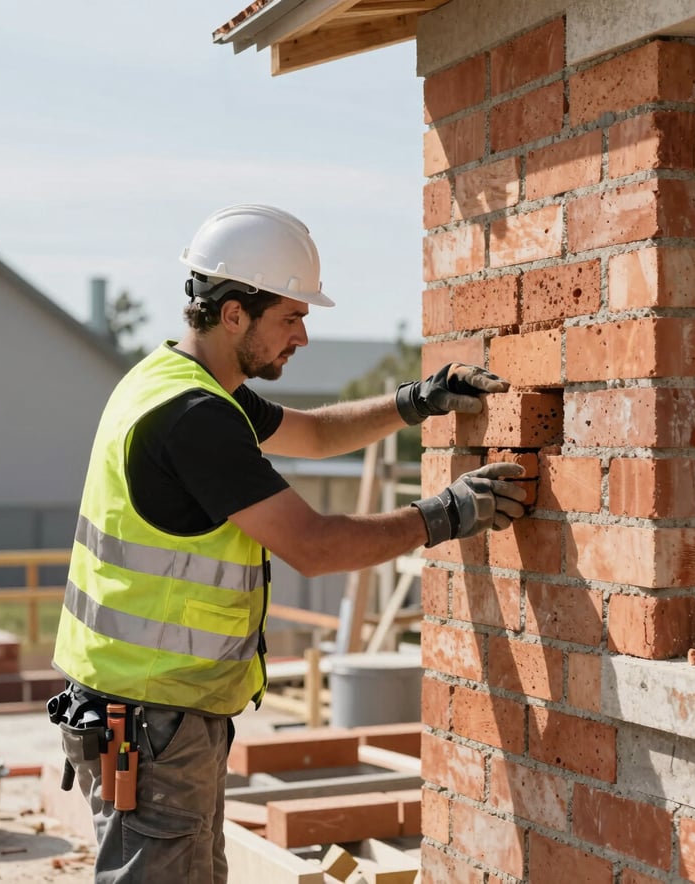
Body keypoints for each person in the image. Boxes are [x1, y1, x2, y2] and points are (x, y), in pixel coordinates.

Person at [48, 204, 527, 883]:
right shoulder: (195, 419)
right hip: (152, 720)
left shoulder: (178, 383)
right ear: (235, 312)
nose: (302, 335)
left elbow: (317, 434)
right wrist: (447, 514)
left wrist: (416, 401)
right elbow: (316, 545)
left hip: (147, 710)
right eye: (291, 316)